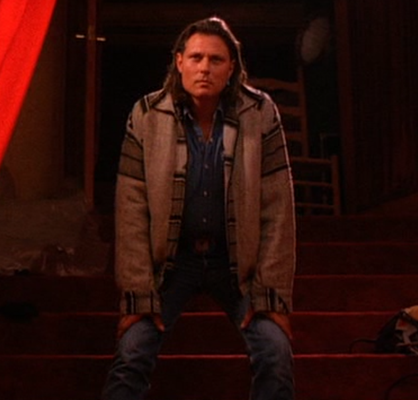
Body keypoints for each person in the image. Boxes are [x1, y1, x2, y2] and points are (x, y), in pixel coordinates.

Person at [102, 16, 296, 400]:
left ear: (232, 67)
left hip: (236, 264)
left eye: (216, 59)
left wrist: (271, 295)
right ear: (179, 62)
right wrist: (138, 293)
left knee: (275, 352)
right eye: (196, 58)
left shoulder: (259, 112)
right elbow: (130, 210)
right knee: (132, 353)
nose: (204, 68)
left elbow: (278, 207)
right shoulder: (146, 114)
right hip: (173, 263)